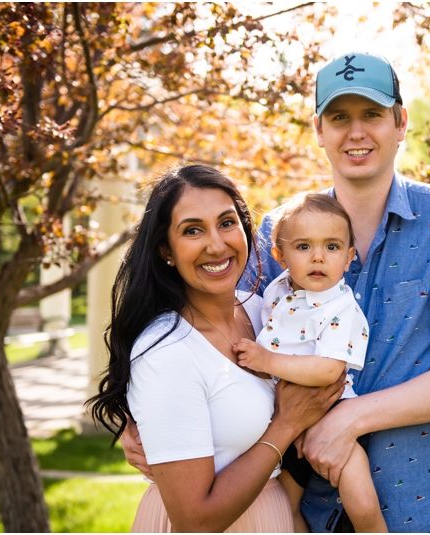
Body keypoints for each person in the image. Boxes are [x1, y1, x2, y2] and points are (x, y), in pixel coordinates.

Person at [122, 51, 430, 532]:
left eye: (372, 115)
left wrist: (349, 418)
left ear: (400, 122)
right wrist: (146, 421)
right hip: (301, 504)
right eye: (339, 117)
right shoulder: (275, 230)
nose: (356, 132)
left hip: (421, 501)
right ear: (319, 131)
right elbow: (220, 337)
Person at [88, 165, 344, 532]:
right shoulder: (166, 350)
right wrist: (285, 425)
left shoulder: (264, 312)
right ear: (166, 250)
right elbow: (195, 520)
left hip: (274, 514)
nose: (216, 244)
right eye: (193, 230)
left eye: (227, 223)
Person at [232, 193, 387, 533]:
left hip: (330, 416)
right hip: (282, 421)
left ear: (348, 258)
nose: (318, 257)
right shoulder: (276, 290)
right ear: (280, 255)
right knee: (283, 510)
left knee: (361, 503)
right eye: (303, 247)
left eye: (331, 247)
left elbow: (329, 370)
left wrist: (266, 360)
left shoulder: (340, 308)